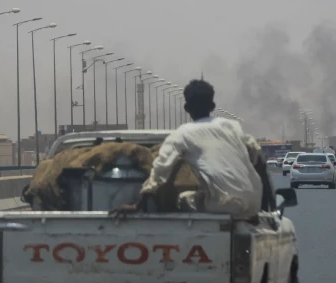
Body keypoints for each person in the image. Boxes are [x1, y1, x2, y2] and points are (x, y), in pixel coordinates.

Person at [111, 79, 269, 219]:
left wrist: (136, 206)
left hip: (223, 205)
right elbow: (258, 158)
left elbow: (160, 172)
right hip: (255, 203)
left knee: (184, 199)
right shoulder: (232, 126)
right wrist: (268, 204)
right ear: (213, 106)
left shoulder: (182, 134)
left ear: (186, 107)